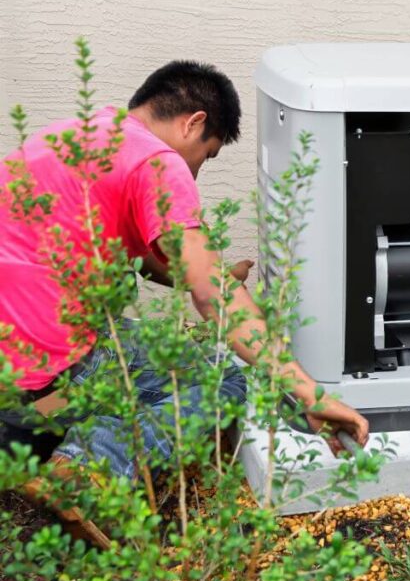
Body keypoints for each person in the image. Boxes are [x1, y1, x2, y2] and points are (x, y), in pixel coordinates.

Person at [0, 61, 370, 487]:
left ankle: (29, 436)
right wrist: (309, 392)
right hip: (40, 372)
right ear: (193, 124)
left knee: (115, 284)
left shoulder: (78, 133)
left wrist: (213, 272)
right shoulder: (157, 161)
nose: (195, 171)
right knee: (226, 378)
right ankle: (86, 467)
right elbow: (213, 297)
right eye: (207, 155)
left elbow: (160, 259)